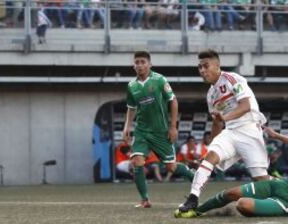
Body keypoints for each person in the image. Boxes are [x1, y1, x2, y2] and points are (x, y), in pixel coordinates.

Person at [176, 49, 270, 215]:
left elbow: (245, 106)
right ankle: (193, 198)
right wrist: (209, 147)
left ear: (217, 66)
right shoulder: (211, 94)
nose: (202, 71)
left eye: (206, 66)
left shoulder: (233, 79)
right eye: (199, 67)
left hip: (249, 130)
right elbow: (217, 122)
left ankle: (281, 195)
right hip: (231, 131)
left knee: (261, 180)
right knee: (211, 156)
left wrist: (224, 118)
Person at [123, 50, 194, 208]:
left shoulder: (159, 80)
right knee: (137, 161)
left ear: (150, 64)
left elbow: (173, 101)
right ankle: (145, 200)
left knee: (171, 167)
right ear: (133, 66)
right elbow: (131, 107)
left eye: (143, 62)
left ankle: (194, 176)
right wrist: (127, 126)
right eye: (137, 62)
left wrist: (173, 127)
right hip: (141, 131)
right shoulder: (131, 85)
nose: (140, 65)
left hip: (160, 131)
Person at [175, 128, 288, 218]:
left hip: (285, 201)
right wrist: (276, 135)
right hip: (280, 184)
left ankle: (268, 207)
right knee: (231, 193)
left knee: (242, 204)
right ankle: (197, 211)